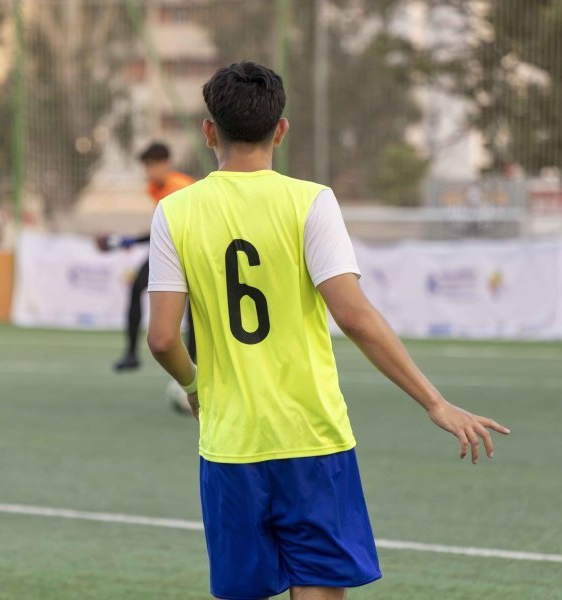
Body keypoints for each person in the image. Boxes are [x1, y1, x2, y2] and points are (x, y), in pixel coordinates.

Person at [146, 62, 510, 600]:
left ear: (208, 131)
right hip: (313, 439)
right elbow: (354, 316)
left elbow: (162, 339)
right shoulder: (311, 201)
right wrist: (434, 402)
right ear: (280, 130)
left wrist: (195, 387)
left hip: (230, 445)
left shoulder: (173, 212)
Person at [97, 142, 196, 372]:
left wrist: (127, 241)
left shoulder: (179, 187)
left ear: (166, 164)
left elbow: (173, 230)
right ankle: (131, 354)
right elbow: (163, 230)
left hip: (190, 250)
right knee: (136, 288)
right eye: (146, 166)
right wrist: (125, 241)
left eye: (151, 165)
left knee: (195, 310)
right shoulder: (154, 188)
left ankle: (195, 363)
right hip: (170, 251)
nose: (147, 171)